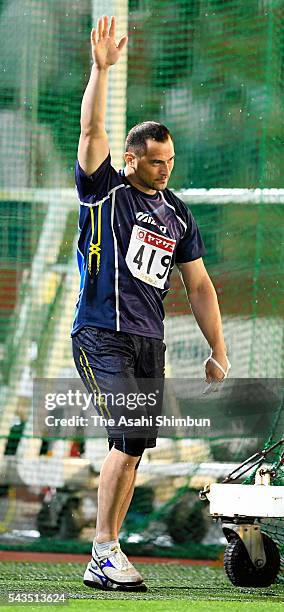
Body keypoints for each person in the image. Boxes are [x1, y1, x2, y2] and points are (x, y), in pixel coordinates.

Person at [72, 15, 229, 592]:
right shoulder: (105, 188)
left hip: (147, 338)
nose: (166, 168)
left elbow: (201, 285)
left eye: (171, 160)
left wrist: (218, 347)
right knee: (127, 435)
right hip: (99, 331)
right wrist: (101, 69)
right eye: (156, 160)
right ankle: (104, 549)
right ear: (133, 158)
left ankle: (106, 552)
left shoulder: (178, 212)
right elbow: (91, 134)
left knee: (135, 446)